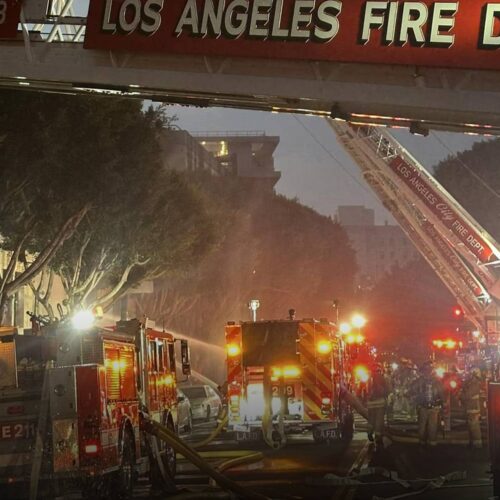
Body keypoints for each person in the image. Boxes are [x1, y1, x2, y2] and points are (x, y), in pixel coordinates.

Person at [412, 361, 444, 447]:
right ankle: (428, 444)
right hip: (428, 407)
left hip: (429, 408)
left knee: (427, 427)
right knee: (427, 427)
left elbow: (441, 393)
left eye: (428, 370)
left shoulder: (435, 381)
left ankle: (426, 444)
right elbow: (442, 394)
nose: (428, 372)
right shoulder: (435, 381)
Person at [367, 363, 390, 450]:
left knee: (371, 419)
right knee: (379, 421)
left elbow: (361, 390)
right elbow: (388, 389)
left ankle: (369, 433)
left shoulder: (368, 378)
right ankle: (378, 437)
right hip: (380, 403)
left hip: (370, 404)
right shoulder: (383, 378)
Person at [461, 368, 483, 448]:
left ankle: (477, 445)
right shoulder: (472, 383)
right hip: (471, 407)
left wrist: (461, 396)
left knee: (474, 426)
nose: (469, 375)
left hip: (473, 408)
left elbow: (467, 395)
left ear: (474, 374)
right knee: (471, 426)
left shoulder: (475, 384)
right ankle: (473, 443)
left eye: (470, 374)